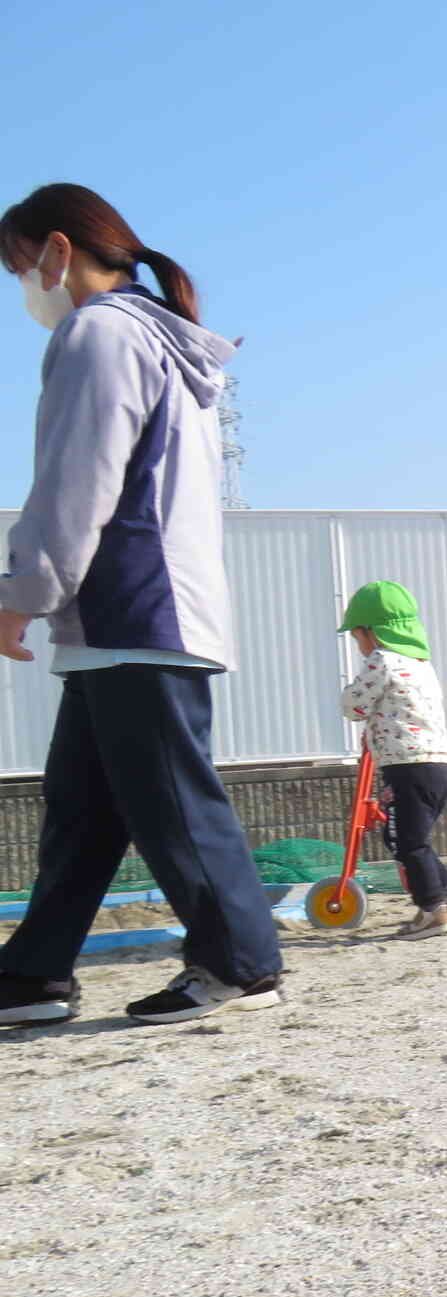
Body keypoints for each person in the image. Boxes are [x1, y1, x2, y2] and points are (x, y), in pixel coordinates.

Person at [0, 183, 285, 1026]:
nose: (22, 287)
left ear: (57, 250)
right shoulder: (158, 338)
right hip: (131, 617)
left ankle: (241, 962)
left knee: (171, 800)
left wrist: (19, 594)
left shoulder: (102, 333)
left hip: (136, 611)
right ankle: (34, 975)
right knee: (83, 811)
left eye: (19, 267)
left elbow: (73, 483)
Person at [338, 580, 447, 939]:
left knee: (405, 842)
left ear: (373, 633)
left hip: (407, 766)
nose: (360, 648)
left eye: (358, 638)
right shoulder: (421, 665)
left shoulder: (383, 660)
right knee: (413, 839)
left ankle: (433, 912)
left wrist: (350, 700)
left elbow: (354, 704)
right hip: (438, 764)